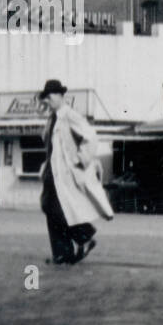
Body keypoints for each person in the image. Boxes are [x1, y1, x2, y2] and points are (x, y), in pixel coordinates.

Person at [38, 79, 113, 265]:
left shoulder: (70, 115)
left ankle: (81, 241)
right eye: (45, 98)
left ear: (60, 96)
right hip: (52, 172)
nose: (46, 101)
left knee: (59, 208)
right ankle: (65, 251)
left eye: (49, 97)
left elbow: (90, 136)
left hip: (65, 174)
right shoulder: (52, 118)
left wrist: (80, 159)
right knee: (50, 206)